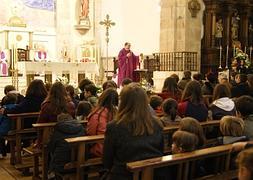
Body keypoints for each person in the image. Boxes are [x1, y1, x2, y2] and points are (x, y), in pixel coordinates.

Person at [103, 83, 164, 180]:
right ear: (145, 102)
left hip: (124, 175)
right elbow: (160, 151)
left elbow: (107, 161)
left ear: (123, 102)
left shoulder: (114, 126)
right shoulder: (157, 124)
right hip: (154, 174)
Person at [87, 88, 118, 157]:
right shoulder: (120, 113)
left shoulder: (97, 113)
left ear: (102, 98)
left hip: (100, 149)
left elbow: (91, 133)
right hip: (117, 149)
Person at [0, 94, 17, 158]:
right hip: (16, 129)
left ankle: (2, 152)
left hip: (5, 130)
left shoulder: (3, 108)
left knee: (1, 138)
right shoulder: (17, 107)